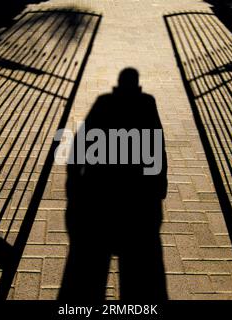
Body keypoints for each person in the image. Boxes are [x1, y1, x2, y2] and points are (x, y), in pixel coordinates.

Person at [59, 68, 168, 301]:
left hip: (101, 194)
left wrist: (75, 180)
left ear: (119, 84)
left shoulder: (104, 102)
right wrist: (159, 184)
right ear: (137, 85)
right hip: (137, 195)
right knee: (138, 277)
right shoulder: (147, 103)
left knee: (89, 274)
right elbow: (157, 144)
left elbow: (81, 140)